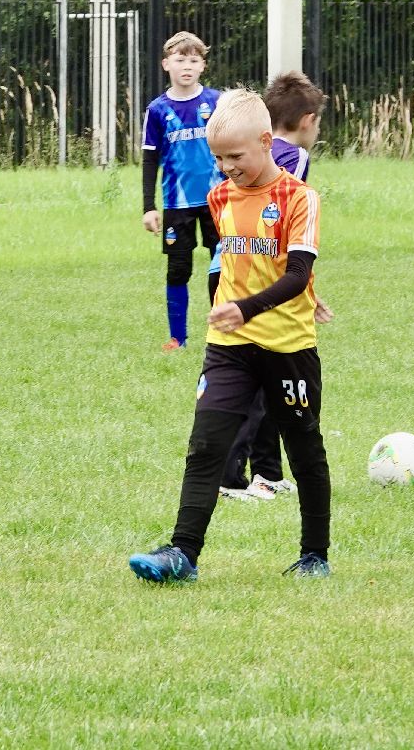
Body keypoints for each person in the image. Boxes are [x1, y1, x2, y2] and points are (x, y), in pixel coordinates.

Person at [129, 88, 333, 583]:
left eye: (235, 157)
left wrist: (270, 302)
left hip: (287, 346)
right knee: (206, 444)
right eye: (218, 158)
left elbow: (295, 269)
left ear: (266, 141)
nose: (225, 168)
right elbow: (239, 262)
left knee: (304, 448)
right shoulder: (219, 197)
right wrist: (229, 307)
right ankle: (182, 554)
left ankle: (314, 555)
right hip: (229, 346)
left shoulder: (299, 197)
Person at [220, 71, 332, 501]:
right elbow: (282, 233)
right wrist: (299, 286)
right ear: (308, 120)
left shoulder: (252, 153)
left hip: (236, 266)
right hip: (254, 275)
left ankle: (265, 472)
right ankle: (233, 477)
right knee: (262, 377)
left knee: (265, 379)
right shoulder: (294, 160)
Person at [141, 32, 225, 351]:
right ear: (166, 64)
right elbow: (150, 159)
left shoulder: (217, 102)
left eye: (193, 60)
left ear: (202, 65)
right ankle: (178, 338)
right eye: (180, 60)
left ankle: (223, 333)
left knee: (223, 265)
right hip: (177, 204)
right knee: (178, 269)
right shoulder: (158, 110)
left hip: (218, 201)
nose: (186, 66)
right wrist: (149, 207)